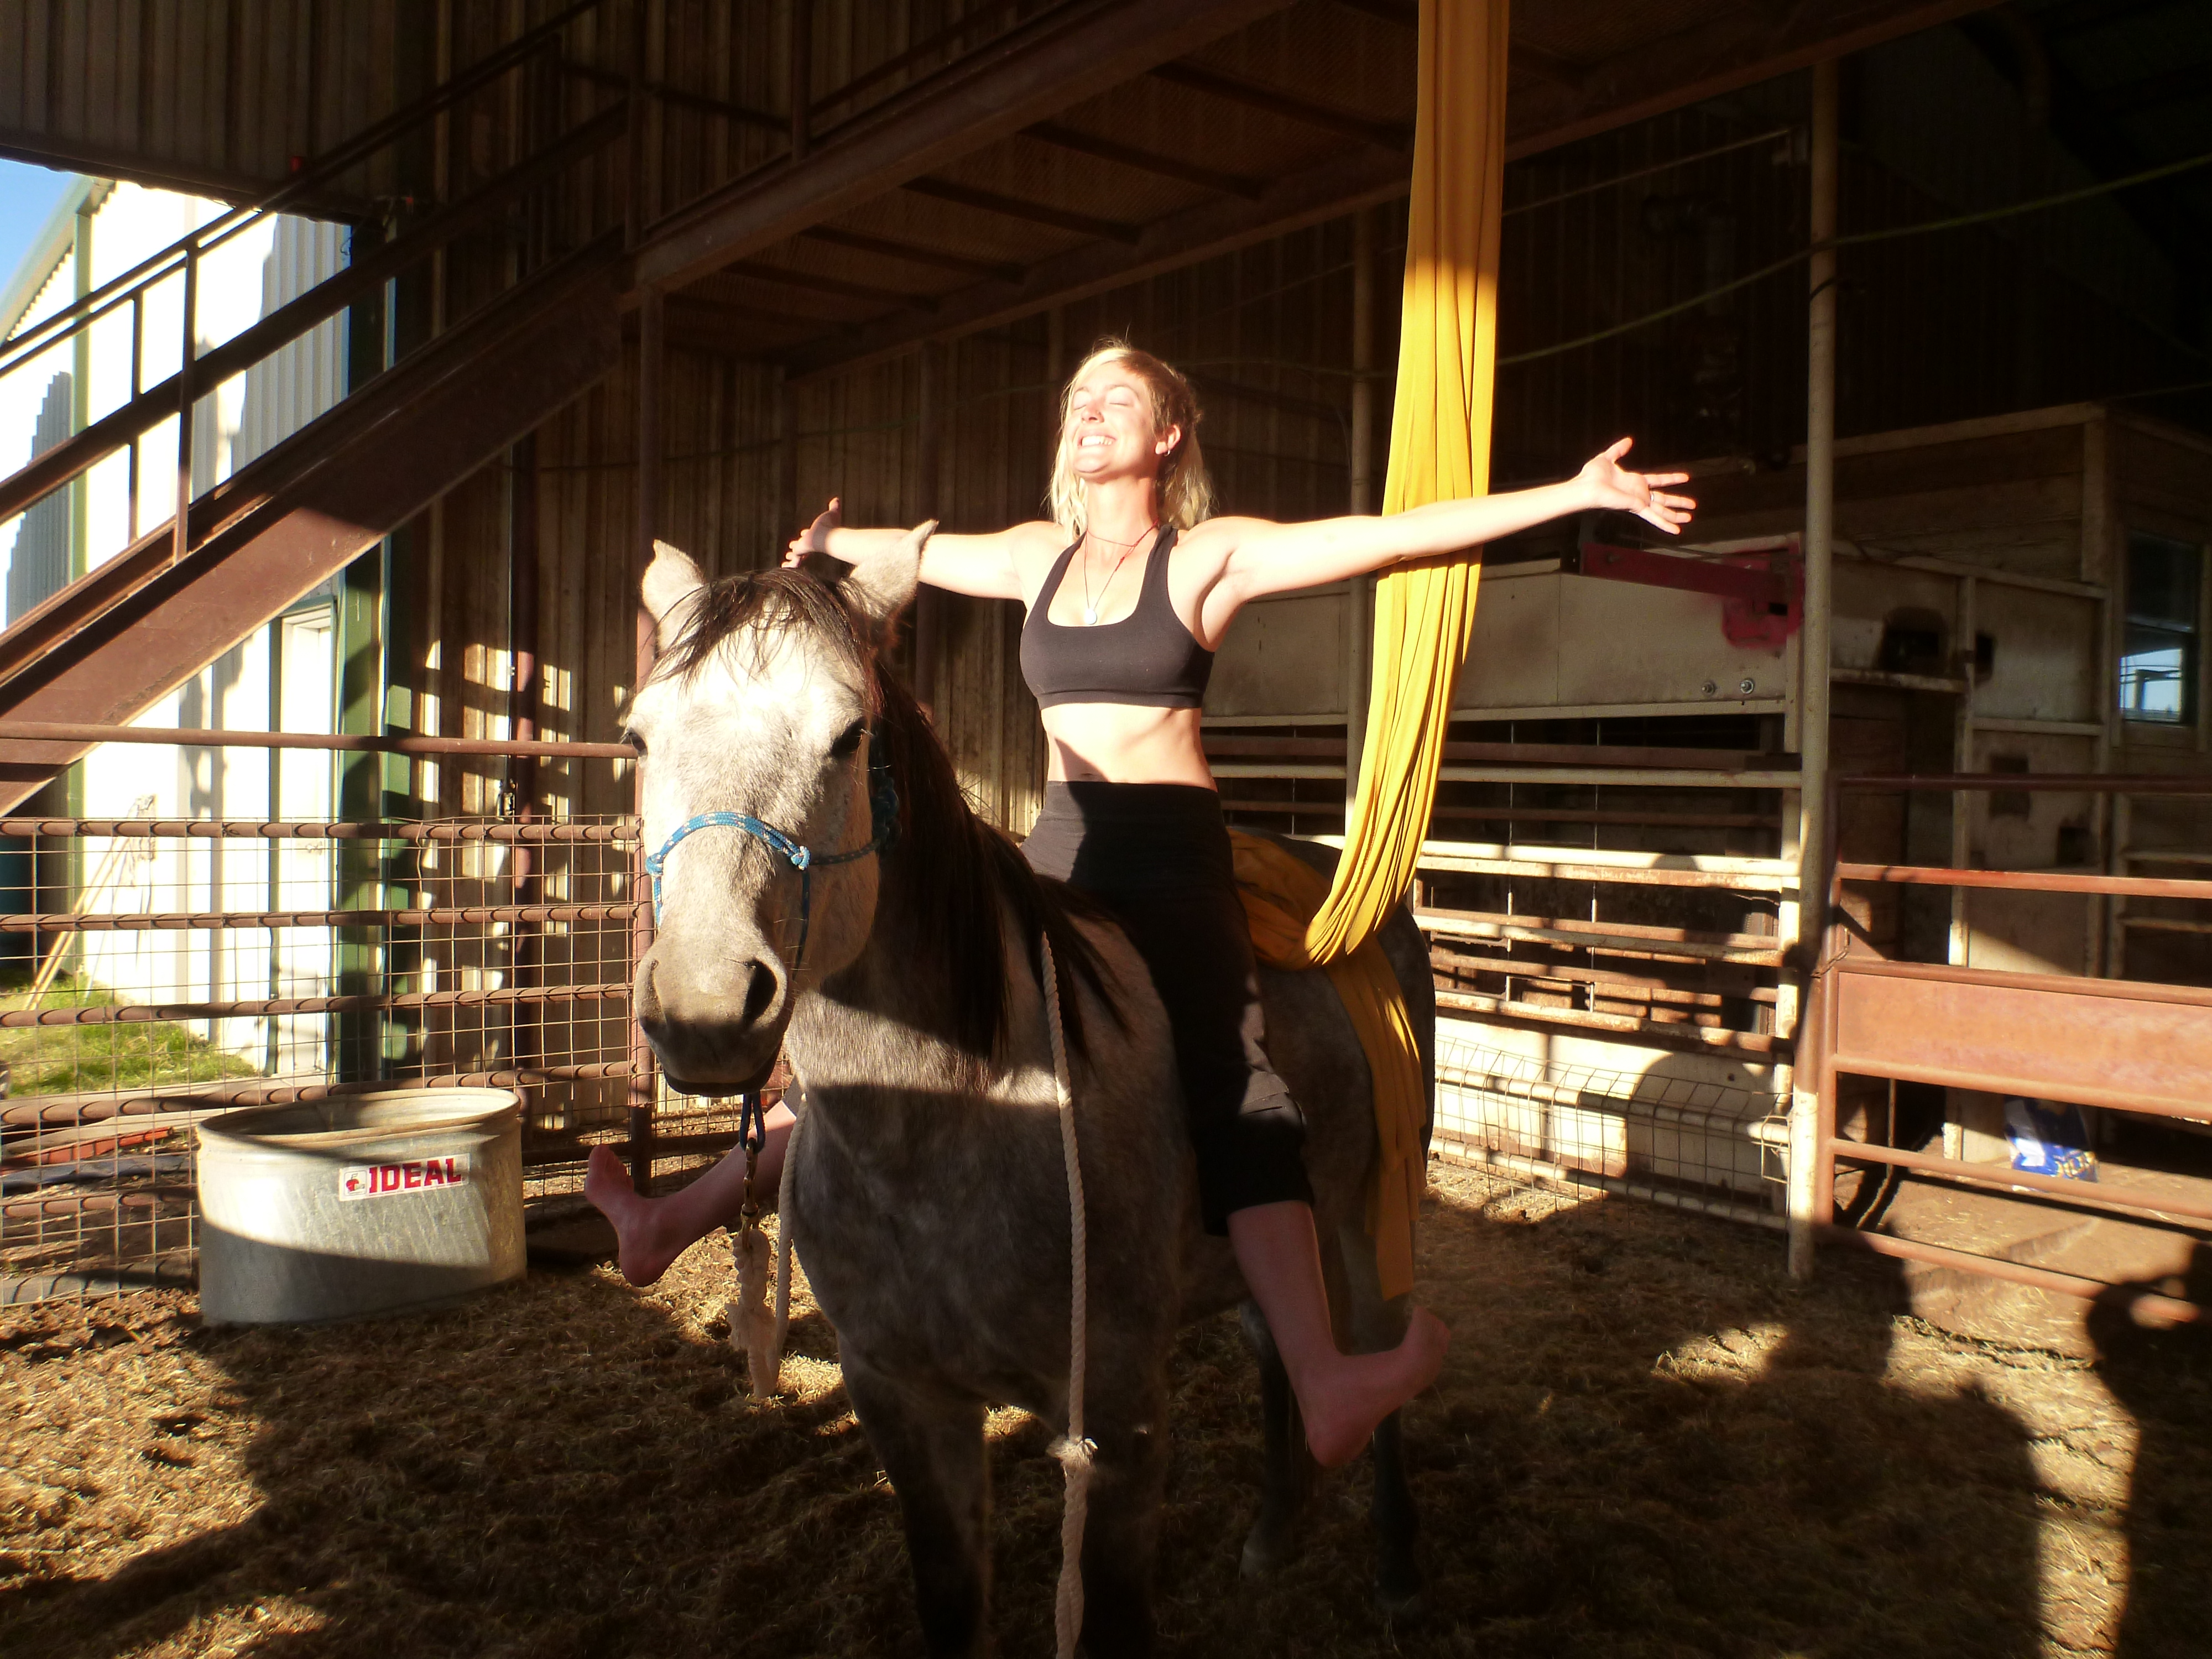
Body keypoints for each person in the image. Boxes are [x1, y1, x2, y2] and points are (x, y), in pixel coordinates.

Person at [588, 340, 1694, 1465]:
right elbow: (913, 551)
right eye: (1077, 399)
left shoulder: (1207, 557)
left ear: (1168, 435)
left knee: (1236, 1082)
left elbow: (1389, 537)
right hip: (1059, 853)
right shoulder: (1037, 557)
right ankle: (668, 1221)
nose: (1088, 412)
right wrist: (827, 548)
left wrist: (1572, 494)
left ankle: (1320, 1377)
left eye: (1116, 398)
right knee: (923, 1047)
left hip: (1171, 864)